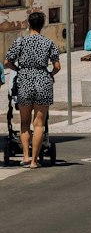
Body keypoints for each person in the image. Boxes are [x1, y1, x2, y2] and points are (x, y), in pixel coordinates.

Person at [4, 10, 60, 169]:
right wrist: (49, 74)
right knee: (39, 124)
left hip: (25, 82)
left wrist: (19, 69)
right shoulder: (48, 43)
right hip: (43, 81)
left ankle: (26, 157)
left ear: (28, 24)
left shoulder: (20, 42)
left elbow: (7, 61)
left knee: (24, 122)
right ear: (42, 25)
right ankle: (35, 161)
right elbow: (57, 66)